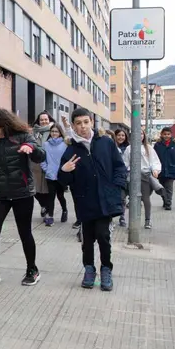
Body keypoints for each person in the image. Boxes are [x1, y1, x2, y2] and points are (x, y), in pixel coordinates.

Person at [58, 107, 127, 291]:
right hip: (84, 201)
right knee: (87, 239)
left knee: (104, 236)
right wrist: (64, 171)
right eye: (78, 123)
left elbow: (120, 167)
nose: (83, 127)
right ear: (73, 125)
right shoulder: (71, 149)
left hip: (105, 200)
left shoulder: (106, 142)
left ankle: (106, 269)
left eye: (86, 122)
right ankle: (89, 269)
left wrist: (118, 188)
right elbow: (64, 181)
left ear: (92, 122)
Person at [0, 108, 45, 288]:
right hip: (0, 194)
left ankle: (32, 269)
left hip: (22, 193)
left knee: (25, 232)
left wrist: (31, 148)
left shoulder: (23, 136)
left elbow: (41, 155)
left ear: (3, 124)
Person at [123, 130, 163, 229]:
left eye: (141, 133)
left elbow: (154, 161)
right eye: (137, 133)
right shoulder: (129, 148)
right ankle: (132, 223)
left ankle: (148, 220)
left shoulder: (149, 148)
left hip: (145, 176)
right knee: (133, 200)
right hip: (132, 177)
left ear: (144, 136)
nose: (139, 135)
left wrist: (156, 170)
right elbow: (125, 163)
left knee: (146, 199)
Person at [40, 123, 69, 226]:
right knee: (50, 197)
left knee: (60, 195)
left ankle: (65, 210)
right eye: (52, 131)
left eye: (56, 131)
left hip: (61, 175)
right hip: (50, 174)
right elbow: (42, 159)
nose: (54, 133)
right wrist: (46, 169)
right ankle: (50, 216)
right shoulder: (46, 144)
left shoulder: (65, 144)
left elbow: (68, 159)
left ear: (60, 133)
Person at [154, 127, 175, 211]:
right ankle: (165, 200)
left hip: (171, 170)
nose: (166, 136)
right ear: (161, 134)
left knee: (169, 188)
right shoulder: (157, 145)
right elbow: (154, 158)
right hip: (160, 171)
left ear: (171, 135)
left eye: (168, 134)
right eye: (164, 134)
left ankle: (168, 203)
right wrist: (153, 169)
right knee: (161, 188)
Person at [31, 111, 54, 218]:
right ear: (38, 121)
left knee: (48, 190)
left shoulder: (53, 131)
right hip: (35, 165)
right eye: (42, 119)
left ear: (49, 120)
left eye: (46, 119)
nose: (44, 121)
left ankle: (48, 211)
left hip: (48, 164)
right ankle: (43, 205)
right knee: (35, 190)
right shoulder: (34, 132)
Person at [113, 129, 130, 226]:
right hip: (113, 176)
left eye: (123, 135)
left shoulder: (128, 148)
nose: (121, 137)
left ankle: (122, 218)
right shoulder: (111, 147)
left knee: (122, 198)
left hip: (124, 176)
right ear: (115, 136)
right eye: (118, 135)